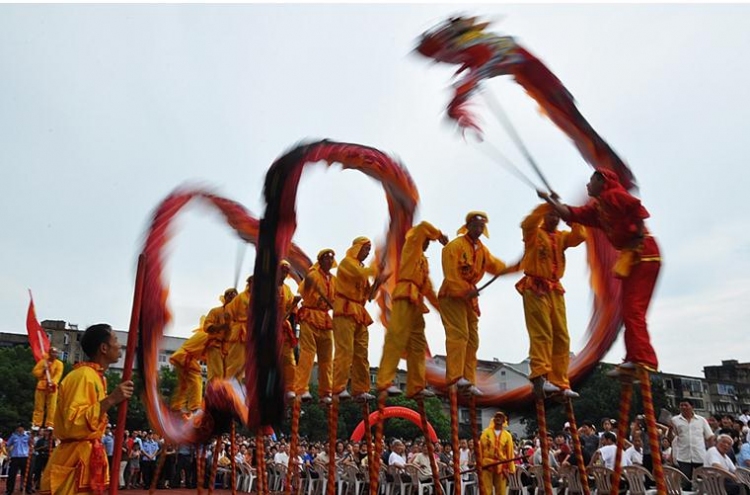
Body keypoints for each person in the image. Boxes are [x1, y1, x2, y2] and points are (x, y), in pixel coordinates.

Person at [539, 169, 661, 373]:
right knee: (629, 309)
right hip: (633, 258)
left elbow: (638, 209)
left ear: (601, 182)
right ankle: (634, 358)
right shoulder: (598, 210)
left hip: (643, 255)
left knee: (633, 309)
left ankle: (643, 359)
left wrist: (637, 237)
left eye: (591, 181)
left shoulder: (613, 196)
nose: (587, 185)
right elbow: (571, 213)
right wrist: (550, 201)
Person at [39, 323, 134, 495]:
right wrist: (111, 399)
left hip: (88, 457)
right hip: (74, 460)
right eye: (116, 339)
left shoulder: (98, 378)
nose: (119, 345)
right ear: (104, 348)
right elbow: (73, 423)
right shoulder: (83, 376)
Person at [517, 204, 586, 397]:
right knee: (542, 332)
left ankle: (560, 381)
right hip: (535, 287)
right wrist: (546, 203)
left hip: (555, 288)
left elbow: (580, 236)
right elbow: (526, 223)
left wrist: (569, 216)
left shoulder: (562, 236)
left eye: (557, 216)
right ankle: (541, 375)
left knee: (562, 335)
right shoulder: (534, 233)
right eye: (551, 215)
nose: (554, 219)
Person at [438, 212, 511, 395]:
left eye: (481, 226)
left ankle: (468, 380)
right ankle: (455, 376)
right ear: (468, 225)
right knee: (459, 333)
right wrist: (463, 289)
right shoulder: (454, 246)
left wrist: (517, 266)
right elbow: (450, 275)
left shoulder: (482, 250)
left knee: (472, 338)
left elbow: (495, 265)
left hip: (469, 299)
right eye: (476, 225)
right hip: (452, 295)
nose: (478, 229)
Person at [377, 221, 448, 398]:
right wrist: (439, 235)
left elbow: (428, 289)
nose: (428, 243)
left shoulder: (423, 261)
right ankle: (385, 381)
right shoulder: (411, 247)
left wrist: (443, 310)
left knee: (418, 344)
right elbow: (423, 226)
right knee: (396, 336)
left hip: (417, 301)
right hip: (404, 295)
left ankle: (416, 386)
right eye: (427, 240)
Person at [170, 289, 236, 413]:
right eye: (230, 296)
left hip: (187, 357)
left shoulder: (233, 319)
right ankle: (195, 407)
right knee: (200, 378)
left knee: (186, 383)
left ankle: (177, 408)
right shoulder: (213, 333)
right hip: (185, 356)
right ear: (225, 298)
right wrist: (223, 326)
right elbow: (209, 327)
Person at [332, 237, 382, 401]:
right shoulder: (347, 263)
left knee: (362, 353)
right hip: (345, 310)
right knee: (345, 350)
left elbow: (370, 296)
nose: (367, 253)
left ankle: (360, 390)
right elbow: (360, 273)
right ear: (357, 248)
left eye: (369, 250)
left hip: (359, 312)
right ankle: (339, 388)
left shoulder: (362, 268)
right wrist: (376, 268)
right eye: (365, 249)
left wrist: (380, 280)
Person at [295, 249, 336, 404]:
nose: (329, 261)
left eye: (331, 258)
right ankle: (302, 388)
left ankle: (326, 391)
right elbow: (303, 291)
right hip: (310, 316)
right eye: (326, 258)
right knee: (307, 353)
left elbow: (336, 298)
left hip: (325, 318)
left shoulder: (334, 280)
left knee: (326, 357)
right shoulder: (312, 275)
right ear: (321, 260)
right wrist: (309, 285)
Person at [670, 399, 715, 481]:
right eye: (681, 405)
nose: (683, 407)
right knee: (686, 481)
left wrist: (711, 452)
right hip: (683, 456)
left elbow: (710, 437)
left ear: (692, 407)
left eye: (686, 405)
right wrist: (669, 429)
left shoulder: (701, 420)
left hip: (700, 455)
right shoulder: (674, 420)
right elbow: (672, 437)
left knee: (703, 480)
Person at [277, 260, 302, 400]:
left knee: (289, 359)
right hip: (270, 328)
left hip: (284, 329)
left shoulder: (287, 289)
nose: (284, 273)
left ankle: (290, 388)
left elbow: (292, 310)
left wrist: (295, 304)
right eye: (282, 270)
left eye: (286, 271)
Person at [479, 411, 515, 495]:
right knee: (486, 491)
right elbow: (480, 449)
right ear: (493, 419)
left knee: (501, 491)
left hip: (501, 465)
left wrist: (511, 469)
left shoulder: (507, 435)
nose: (498, 418)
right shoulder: (485, 432)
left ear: (504, 420)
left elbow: (510, 452)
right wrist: (479, 464)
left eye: (500, 417)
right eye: (496, 417)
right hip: (487, 465)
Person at [31, 347, 64, 429]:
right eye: (52, 353)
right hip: (41, 385)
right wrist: (43, 370)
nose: (54, 355)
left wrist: (53, 382)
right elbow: (35, 372)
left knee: (52, 406)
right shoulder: (43, 362)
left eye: (55, 353)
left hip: (52, 386)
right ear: (49, 353)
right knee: (39, 406)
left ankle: (50, 424)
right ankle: (37, 423)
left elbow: (58, 374)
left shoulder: (59, 364)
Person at [5, 423, 32, 495]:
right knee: (11, 474)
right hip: (15, 457)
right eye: (17, 427)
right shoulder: (14, 436)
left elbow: (32, 444)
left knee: (27, 474)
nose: (18, 429)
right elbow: (7, 445)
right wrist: (8, 454)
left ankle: (28, 489)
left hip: (24, 457)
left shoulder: (28, 436)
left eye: (20, 427)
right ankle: (9, 490)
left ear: (23, 428)